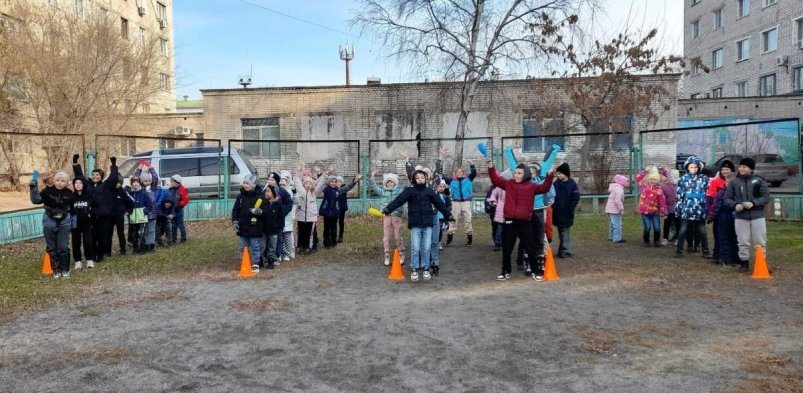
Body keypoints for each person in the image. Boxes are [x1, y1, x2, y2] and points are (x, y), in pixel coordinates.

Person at [486, 158, 555, 282]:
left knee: (530, 247)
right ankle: (505, 272)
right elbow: (495, 180)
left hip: (525, 222)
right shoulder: (508, 184)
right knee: (507, 249)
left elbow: (545, 188)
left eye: (519, 173)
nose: (516, 175)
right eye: (515, 173)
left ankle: (536, 272)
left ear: (526, 174)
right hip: (509, 221)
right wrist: (490, 166)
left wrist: (550, 175)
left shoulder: (532, 186)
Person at [382, 169, 453, 282]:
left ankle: (425, 268)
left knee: (426, 248)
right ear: (414, 179)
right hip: (415, 224)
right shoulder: (409, 191)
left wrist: (448, 215)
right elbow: (398, 200)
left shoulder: (429, 191)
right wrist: (388, 209)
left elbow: (439, 204)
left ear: (425, 179)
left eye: (422, 177)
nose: (420, 179)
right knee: (415, 247)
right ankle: (414, 269)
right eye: (418, 177)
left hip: (428, 224)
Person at [506, 144, 560, 274]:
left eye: (533, 169)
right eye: (528, 170)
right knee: (527, 239)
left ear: (537, 171)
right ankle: (529, 265)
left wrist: (555, 149)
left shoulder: (541, 179)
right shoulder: (523, 182)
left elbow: (548, 162)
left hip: (540, 211)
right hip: (527, 212)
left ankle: (540, 264)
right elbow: (514, 165)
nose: (531, 171)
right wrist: (508, 151)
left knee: (540, 238)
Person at [724, 157, 770, 272]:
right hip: (741, 217)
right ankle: (743, 263)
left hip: (757, 216)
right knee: (742, 241)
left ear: (751, 169)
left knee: (760, 241)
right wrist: (735, 205)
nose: (741, 169)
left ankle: (761, 263)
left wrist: (753, 203)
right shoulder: (734, 181)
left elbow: (766, 197)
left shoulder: (759, 181)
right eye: (740, 166)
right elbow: (727, 198)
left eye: (745, 167)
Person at [30, 170, 75, 278]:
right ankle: (56, 270)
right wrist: (33, 188)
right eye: (57, 180)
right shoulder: (47, 191)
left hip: (64, 224)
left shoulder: (69, 194)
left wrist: (73, 225)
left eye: (62, 181)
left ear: (67, 182)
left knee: (63, 247)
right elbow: (36, 200)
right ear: (54, 181)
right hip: (49, 223)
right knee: (52, 248)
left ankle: (65, 270)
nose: (59, 183)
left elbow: (73, 210)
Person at [674, 155, 710, 258]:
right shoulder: (683, 179)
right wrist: (678, 210)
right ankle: (679, 250)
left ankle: (705, 250)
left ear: (699, 167)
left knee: (702, 231)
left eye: (695, 167)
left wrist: (707, 210)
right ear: (687, 167)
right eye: (691, 167)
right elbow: (679, 196)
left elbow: (708, 194)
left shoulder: (704, 179)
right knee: (683, 231)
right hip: (686, 210)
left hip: (700, 211)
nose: (693, 169)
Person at [232, 174, 266, 273]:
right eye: (244, 183)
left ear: (253, 185)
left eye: (248, 183)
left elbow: (265, 209)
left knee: (255, 246)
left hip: (255, 227)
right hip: (243, 227)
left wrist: (259, 211)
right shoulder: (240, 196)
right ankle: (245, 261)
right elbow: (235, 210)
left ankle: (256, 263)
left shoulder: (260, 196)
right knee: (243, 246)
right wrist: (235, 221)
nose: (245, 185)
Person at [371, 170, 405, 266]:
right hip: (386, 217)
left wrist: (409, 176)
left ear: (395, 183)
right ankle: (387, 254)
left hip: (396, 216)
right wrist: (372, 177)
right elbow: (374, 187)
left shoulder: (399, 191)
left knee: (398, 236)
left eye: (391, 182)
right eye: (388, 182)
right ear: (385, 183)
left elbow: (408, 188)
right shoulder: (382, 192)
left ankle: (401, 253)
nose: (390, 184)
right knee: (386, 237)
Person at [319, 173, 361, 249]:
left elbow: (347, 187)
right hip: (327, 212)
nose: (333, 183)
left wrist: (354, 181)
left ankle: (333, 242)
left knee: (334, 228)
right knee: (326, 228)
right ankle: (327, 243)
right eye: (331, 182)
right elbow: (320, 184)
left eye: (335, 182)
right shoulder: (326, 189)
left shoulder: (339, 190)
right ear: (329, 182)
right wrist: (320, 175)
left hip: (335, 212)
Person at [706, 160, 736, 264]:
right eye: (723, 169)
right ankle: (716, 254)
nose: (725, 171)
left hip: (732, 212)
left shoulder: (734, 181)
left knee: (732, 234)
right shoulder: (715, 181)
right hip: (718, 211)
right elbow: (710, 197)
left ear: (731, 170)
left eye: (727, 169)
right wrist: (710, 212)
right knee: (718, 234)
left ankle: (732, 255)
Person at [443, 162, 477, 246]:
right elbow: (442, 177)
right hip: (456, 202)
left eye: (460, 172)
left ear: (463, 173)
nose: (459, 173)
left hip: (466, 201)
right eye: (457, 172)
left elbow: (474, 173)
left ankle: (470, 239)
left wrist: (472, 165)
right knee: (453, 219)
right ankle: (449, 238)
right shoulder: (452, 181)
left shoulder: (468, 179)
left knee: (468, 219)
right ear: (455, 174)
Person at [294, 168, 327, 253]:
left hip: (311, 218)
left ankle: (309, 247)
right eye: (306, 184)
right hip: (301, 217)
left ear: (312, 185)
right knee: (301, 233)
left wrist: (324, 175)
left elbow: (320, 184)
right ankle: (300, 246)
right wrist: (298, 172)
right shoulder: (301, 192)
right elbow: (297, 183)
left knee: (310, 234)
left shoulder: (314, 193)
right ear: (303, 185)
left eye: (310, 184)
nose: (308, 185)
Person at [135, 162, 165, 253]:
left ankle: (150, 246)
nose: (148, 182)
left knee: (151, 230)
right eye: (145, 181)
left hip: (152, 213)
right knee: (142, 231)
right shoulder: (140, 189)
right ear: (141, 182)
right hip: (143, 213)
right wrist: (139, 168)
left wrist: (151, 167)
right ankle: (143, 246)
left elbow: (155, 177)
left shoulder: (153, 188)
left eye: (149, 180)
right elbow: (135, 177)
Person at [552, 163, 580, 258]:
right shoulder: (556, 184)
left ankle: (564, 250)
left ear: (565, 174)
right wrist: (554, 206)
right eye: (557, 173)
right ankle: (564, 249)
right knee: (562, 231)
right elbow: (552, 196)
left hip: (567, 212)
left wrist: (571, 207)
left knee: (565, 231)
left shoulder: (572, 184)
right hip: (558, 212)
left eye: (560, 173)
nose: (558, 175)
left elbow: (576, 197)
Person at [636, 167, 667, 247]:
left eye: (655, 179)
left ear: (657, 181)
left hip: (655, 212)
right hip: (645, 212)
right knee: (647, 227)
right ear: (648, 179)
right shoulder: (644, 186)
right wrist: (645, 171)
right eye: (651, 179)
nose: (653, 181)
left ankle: (656, 241)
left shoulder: (659, 190)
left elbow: (662, 202)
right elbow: (638, 177)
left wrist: (664, 213)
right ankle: (646, 241)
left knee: (657, 227)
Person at [70, 174, 95, 270]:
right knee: (76, 242)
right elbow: (68, 209)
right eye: (76, 183)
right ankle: (78, 261)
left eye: (80, 183)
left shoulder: (88, 196)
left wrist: (89, 214)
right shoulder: (71, 196)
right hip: (75, 222)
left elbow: (95, 206)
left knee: (87, 241)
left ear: (84, 184)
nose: (78, 185)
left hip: (86, 222)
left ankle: (89, 260)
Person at [125, 175, 151, 254]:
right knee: (134, 234)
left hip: (142, 218)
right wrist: (127, 211)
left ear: (139, 183)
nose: (135, 184)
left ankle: (143, 248)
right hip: (132, 218)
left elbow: (150, 205)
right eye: (134, 182)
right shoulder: (129, 194)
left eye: (137, 182)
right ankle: (135, 249)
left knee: (141, 233)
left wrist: (144, 211)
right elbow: (126, 204)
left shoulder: (144, 193)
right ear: (131, 184)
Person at [261, 185, 285, 269]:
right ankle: (262, 260)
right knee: (262, 246)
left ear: (274, 193)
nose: (266, 193)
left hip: (274, 230)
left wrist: (277, 226)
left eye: (268, 191)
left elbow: (281, 217)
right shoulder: (263, 203)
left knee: (272, 246)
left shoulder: (279, 204)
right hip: (263, 230)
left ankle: (271, 260)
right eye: (265, 191)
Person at [278, 171, 297, 261]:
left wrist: (295, 192)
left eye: (286, 179)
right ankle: (280, 253)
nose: (283, 182)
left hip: (288, 217)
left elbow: (296, 202)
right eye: (282, 179)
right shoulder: (277, 190)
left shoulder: (290, 190)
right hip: (279, 218)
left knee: (288, 236)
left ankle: (287, 253)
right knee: (280, 237)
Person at [605, 174, 628, 244]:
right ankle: (617, 238)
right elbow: (617, 200)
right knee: (617, 224)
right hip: (614, 210)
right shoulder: (619, 189)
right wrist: (621, 209)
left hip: (610, 209)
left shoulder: (615, 188)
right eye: (626, 181)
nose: (627, 183)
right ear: (622, 182)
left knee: (612, 223)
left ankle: (611, 236)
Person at [167, 174, 190, 244]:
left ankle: (183, 238)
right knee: (173, 225)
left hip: (179, 209)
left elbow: (186, 199)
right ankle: (174, 239)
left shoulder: (182, 189)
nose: (170, 183)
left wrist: (179, 204)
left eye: (172, 182)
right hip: (172, 210)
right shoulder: (171, 189)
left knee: (180, 224)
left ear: (176, 182)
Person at [335, 176, 358, 243]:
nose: (338, 183)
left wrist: (354, 181)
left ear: (342, 183)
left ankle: (340, 236)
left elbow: (349, 187)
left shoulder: (344, 189)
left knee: (341, 222)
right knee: (334, 223)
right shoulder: (333, 189)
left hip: (342, 208)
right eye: (337, 181)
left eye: (340, 181)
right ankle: (334, 236)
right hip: (334, 209)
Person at [660, 169, 679, 246]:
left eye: (675, 176)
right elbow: (662, 199)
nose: (672, 178)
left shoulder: (680, 186)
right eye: (671, 176)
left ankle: (677, 238)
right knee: (667, 224)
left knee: (678, 224)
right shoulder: (664, 187)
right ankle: (665, 238)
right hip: (668, 209)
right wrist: (663, 210)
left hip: (677, 209)